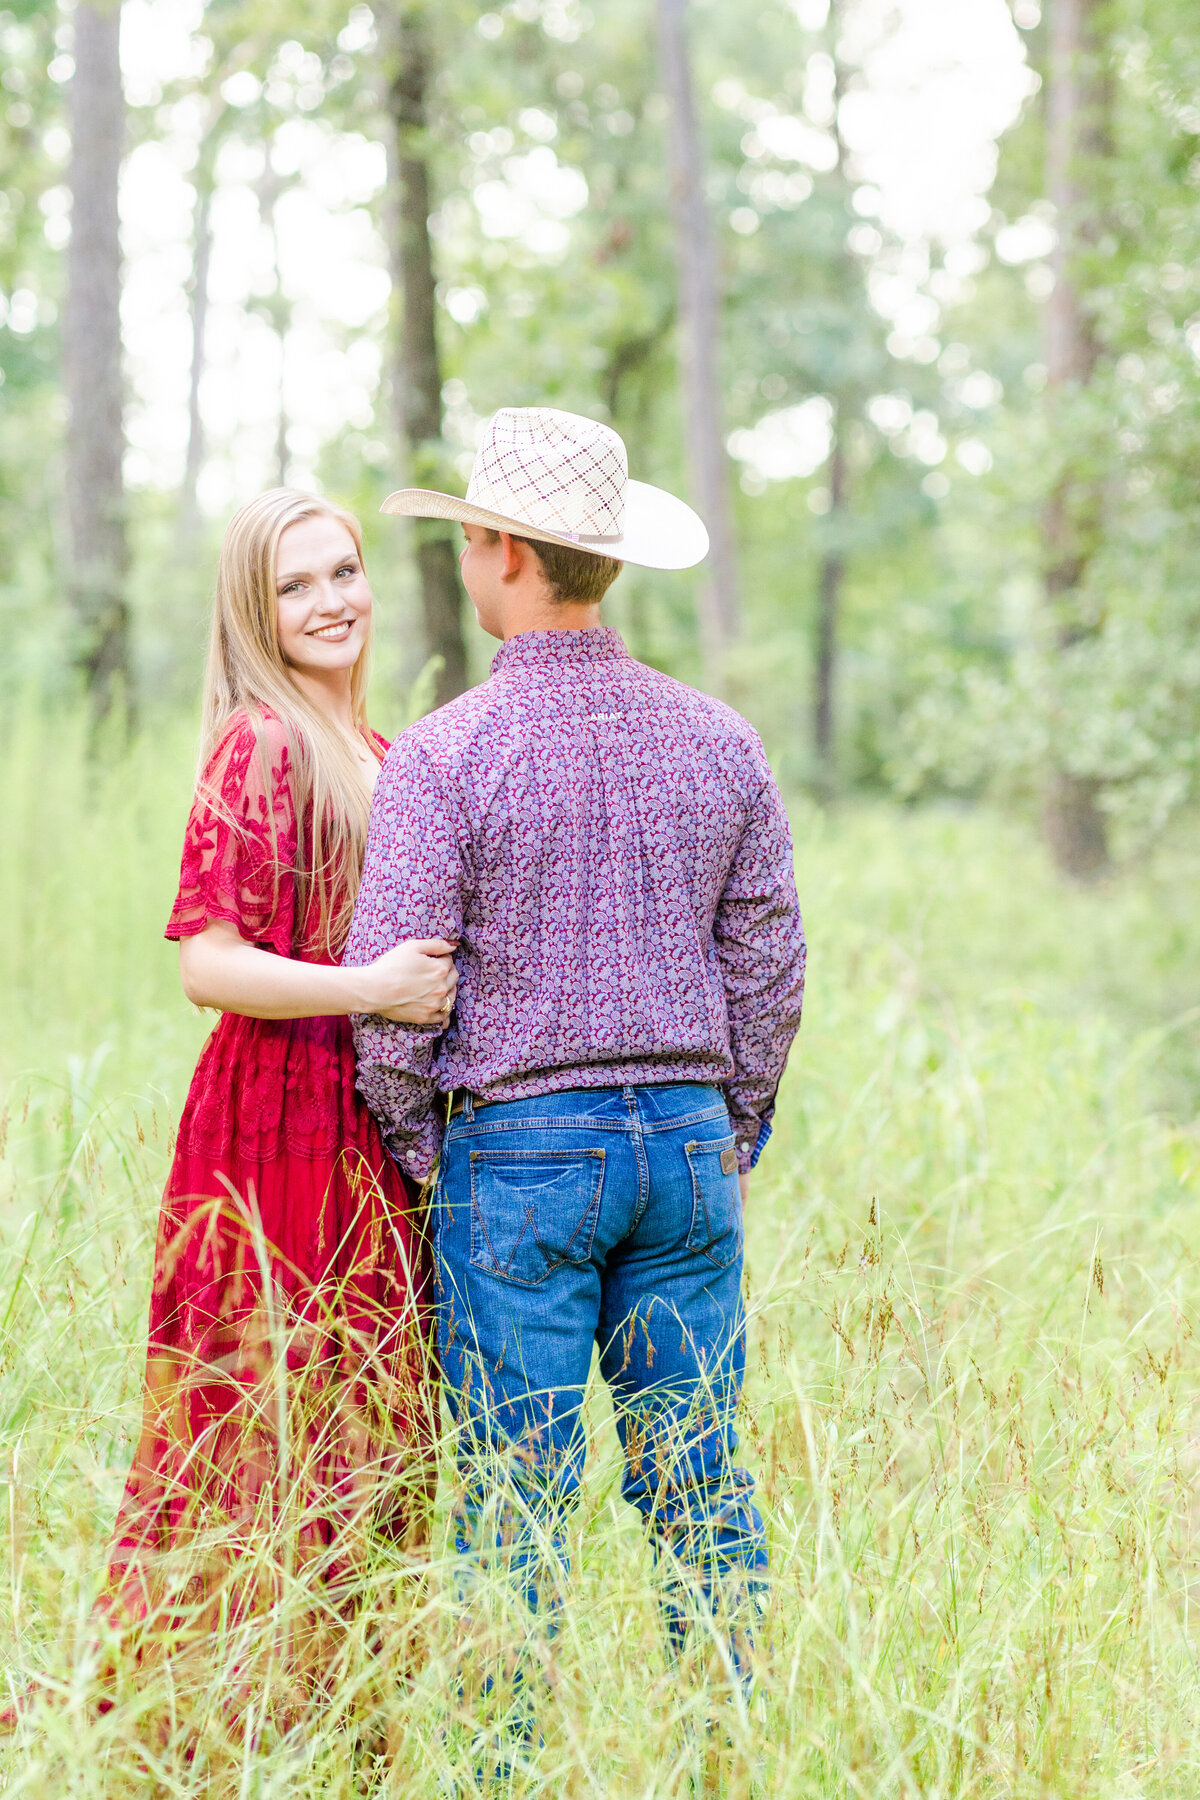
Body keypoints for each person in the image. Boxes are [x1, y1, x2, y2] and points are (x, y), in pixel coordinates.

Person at [344, 408, 806, 1762]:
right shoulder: (723, 742)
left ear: (495, 553)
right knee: (700, 1480)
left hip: (519, 1151)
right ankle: (727, 1752)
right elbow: (769, 964)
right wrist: (732, 1126)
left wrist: (436, 1157)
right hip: (683, 1141)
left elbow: (397, 993)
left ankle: (501, 1771)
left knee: (512, 1494)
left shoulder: (445, 752)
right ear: (600, 562)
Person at [100, 490, 454, 1687]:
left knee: (373, 1423)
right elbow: (209, 961)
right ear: (255, 611)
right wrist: (371, 988)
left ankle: (343, 1710)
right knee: (267, 1423)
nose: (331, 601)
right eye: (295, 585)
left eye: (344, 571)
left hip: (372, 1129)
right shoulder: (262, 741)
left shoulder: (390, 752)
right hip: (275, 1120)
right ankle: (221, 1704)